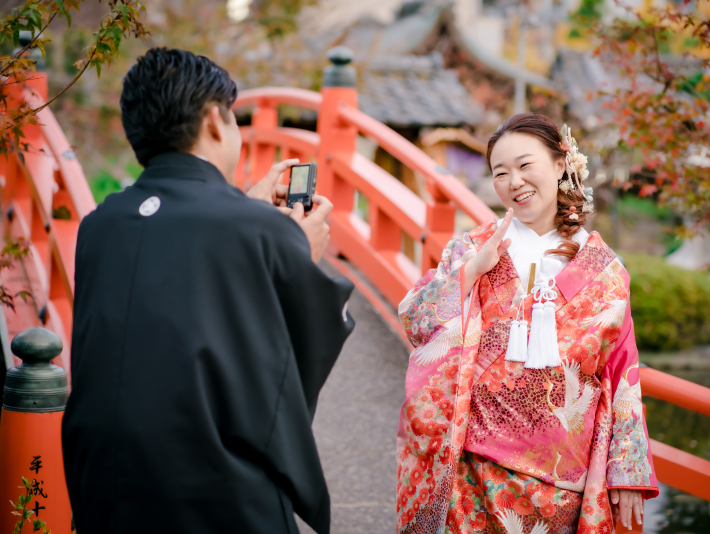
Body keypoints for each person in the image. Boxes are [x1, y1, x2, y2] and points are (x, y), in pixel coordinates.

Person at [61, 47, 354, 534]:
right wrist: (298, 252)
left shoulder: (100, 225)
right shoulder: (259, 228)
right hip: (217, 496)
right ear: (214, 122)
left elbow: (175, 252)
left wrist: (246, 208)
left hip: (105, 487)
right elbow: (286, 367)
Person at [396, 114, 658, 533]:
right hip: (474, 465)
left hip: (562, 479)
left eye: (524, 165)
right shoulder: (472, 248)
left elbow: (622, 369)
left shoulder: (605, 269)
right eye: (500, 172)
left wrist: (626, 469)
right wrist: (471, 272)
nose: (513, 181)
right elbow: (415, 317)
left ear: (560, 164)